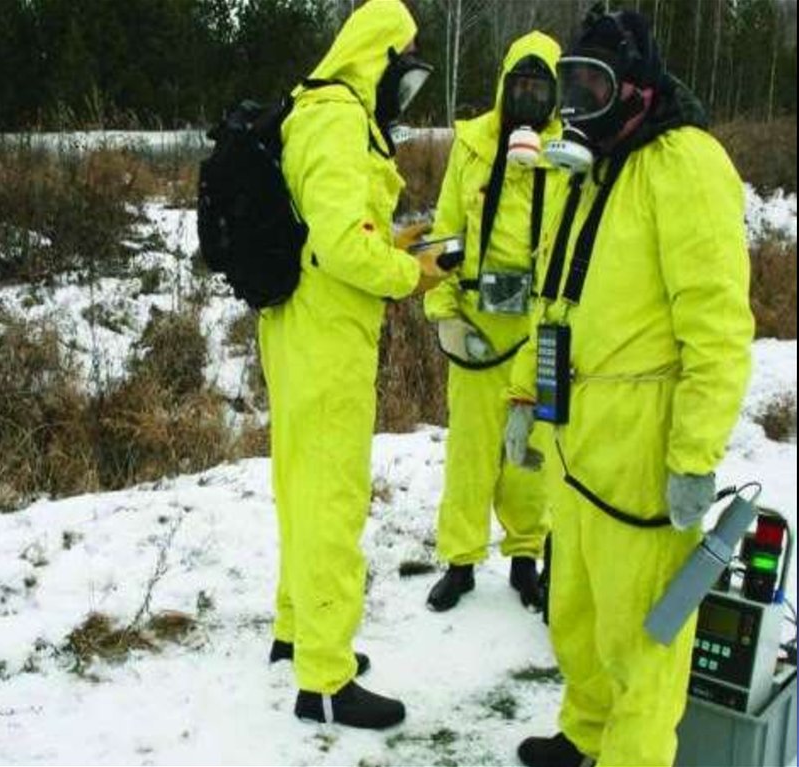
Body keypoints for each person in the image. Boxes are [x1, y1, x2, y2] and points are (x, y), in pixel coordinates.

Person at [503, 7, 753, 766]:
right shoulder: (590, 168)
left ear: (638, 90)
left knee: (642, 636)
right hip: (578, 441)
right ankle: (585, 730)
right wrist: (523, 395)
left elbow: (716, 328)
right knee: (574, 614)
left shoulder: (686, 164)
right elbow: (555, 297)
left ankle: (632, 753)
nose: (578, 104)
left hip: (646, 453)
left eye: (594, 85)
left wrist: (694, 454)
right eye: (569, 86)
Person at [258, 0, 449, 730]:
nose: (403, 89)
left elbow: (330, 229)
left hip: (297, 322)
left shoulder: (311, 111)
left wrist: (399, 243)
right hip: (327, 333)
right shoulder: (339, 119)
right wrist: (415, 273)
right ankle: (326, 679)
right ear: (380, 55)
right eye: (402, 67)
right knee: (333, 498)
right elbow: (341, 245)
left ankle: (296, 632)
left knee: (298, 483)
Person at [423, 31, 565, 613]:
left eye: (540, 88)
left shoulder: (569, 153)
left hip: (537, 329)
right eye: (520, 86)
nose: (528, 98)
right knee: (470, 451)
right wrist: (443, 310)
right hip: (478, 328)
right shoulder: (473, 145)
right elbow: (445, 226)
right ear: (504, 86)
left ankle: (526, 558)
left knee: (531, 455)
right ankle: (460, 562)